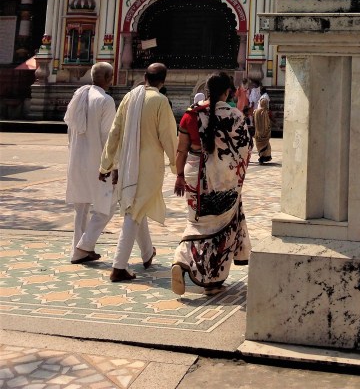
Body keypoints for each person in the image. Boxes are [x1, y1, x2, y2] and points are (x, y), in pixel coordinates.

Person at [171, 71, 252, 297]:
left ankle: (181, 259)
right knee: (219, 228)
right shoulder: (235, 116)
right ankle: (212, 282)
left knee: (197, 222)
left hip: (193, 176)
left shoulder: (190, 115)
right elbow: (245, 149)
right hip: (223, 181)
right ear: (228, 91)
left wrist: (178, 175)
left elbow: (181, 150)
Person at [100, 63, 177, 283]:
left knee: (136, 205)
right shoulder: (160, 101)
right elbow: (169, 136)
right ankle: (118, 266)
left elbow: (115, 132)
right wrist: (176, 165)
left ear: (145, 77)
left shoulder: (128, 98)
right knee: (134, 210)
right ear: (163, 81)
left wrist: (106, 164)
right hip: (149, 167)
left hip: (127, 163)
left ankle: (146, 253)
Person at [64, 62, 117, 264]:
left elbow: (69, 128)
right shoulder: (105, 100)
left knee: (81, 208)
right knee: (108, 204)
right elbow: (108, 138)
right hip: (98, 163)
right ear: (109, 79)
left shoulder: (78, 95)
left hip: (77, 158)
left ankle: (79, 250)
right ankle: (84, 246)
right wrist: (113, 165)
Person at [253, 85, 272, 164]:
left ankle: (262, 156)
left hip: (259, 133)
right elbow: (267, 124)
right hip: (263, 133)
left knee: (261, 143)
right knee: (265, 143)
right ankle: (263, 156)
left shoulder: (258, 112)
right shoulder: (263, 112)